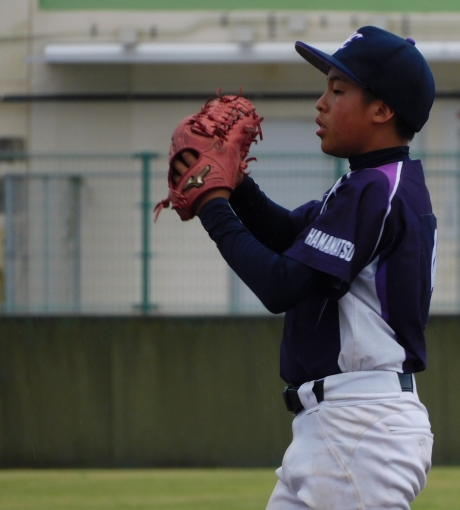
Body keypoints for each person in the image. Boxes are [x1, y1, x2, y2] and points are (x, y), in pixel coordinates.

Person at [173, 26, 437, 510]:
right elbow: (285, 236)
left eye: (338, 90)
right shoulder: (370, 184)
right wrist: (237, 183)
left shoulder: (374, 190)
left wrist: (212, 202)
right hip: (343, 428)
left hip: (360, 429)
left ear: (382, 110)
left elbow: (281, 285)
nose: (321, 103)